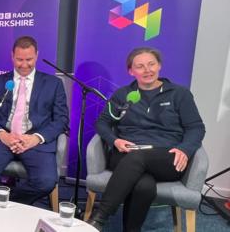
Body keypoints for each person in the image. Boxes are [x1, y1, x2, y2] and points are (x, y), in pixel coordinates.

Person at [87, 47, 205, 232]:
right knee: (144, 186)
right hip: (126, 152)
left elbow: (196, 127)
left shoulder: (179, 94)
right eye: (140, 66)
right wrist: (114, 140)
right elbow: (102, 122)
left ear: (159, 66)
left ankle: (99, 218)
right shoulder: (123, 94)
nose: (147, 70)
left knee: (138, 158)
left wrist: (185, 149)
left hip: (166, 157)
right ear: (131, 71)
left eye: (151, 64)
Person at [0, 36, 69, 205]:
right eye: (19, 59)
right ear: (12, 56)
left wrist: (36, 138)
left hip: (35, 141)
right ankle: (3, 204)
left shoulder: (54, 84)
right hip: (4, 139)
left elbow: (61, 119)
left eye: (29, 59)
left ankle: (6, 202)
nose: (24, 65)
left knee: (45, 182)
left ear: (37, 55)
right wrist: (2, 134)